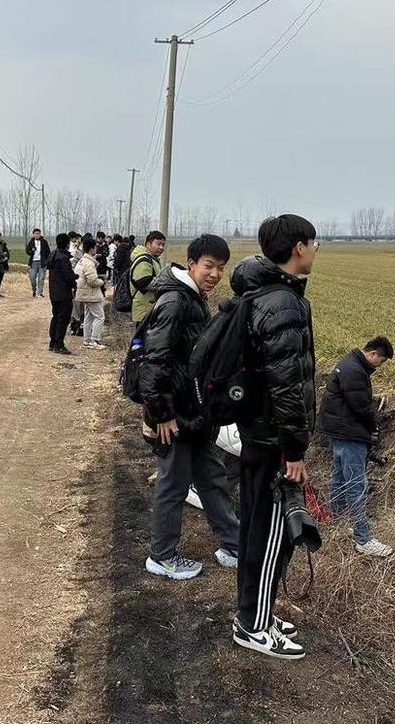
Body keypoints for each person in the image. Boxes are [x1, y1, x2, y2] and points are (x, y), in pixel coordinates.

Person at [231, 214, 318, 661]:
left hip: (258, 433)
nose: (316, 251)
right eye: (314, 243)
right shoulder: (283, 302)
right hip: (272, 440)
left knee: (256, 528)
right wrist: (294, 450)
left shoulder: (263, 293)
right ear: (298, 248)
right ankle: (253, 625)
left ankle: (255, 612)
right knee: (269, 535)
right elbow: (286, 385)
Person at [141, 234, 240, 580]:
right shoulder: (174, 301)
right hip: (175, 414)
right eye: (209, 266)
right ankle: (162, 556)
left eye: (221, 268)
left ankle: (233, 544)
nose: (215, 274)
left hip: (195, 412)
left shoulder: (194, 297)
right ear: (192, 263)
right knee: (174, 483)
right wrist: (162, 414)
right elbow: (155, 362)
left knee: (212, 477)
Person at [319, 336, 395, 557]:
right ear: (373, 354)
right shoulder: (354, 371)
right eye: (381, 361)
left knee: (340, 478)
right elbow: (361, 407)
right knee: (355, 485)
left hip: (339, 430)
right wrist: (373, 429)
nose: (379, 366)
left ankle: (338, 524)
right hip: (349, 433)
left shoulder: (349, 363)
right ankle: (364, 538)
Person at [46, 232, 77, 354]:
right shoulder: (63, 258)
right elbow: (67, 276)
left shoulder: (53, 255)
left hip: (54, 292)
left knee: (55, 317)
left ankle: (53, 343)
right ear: (67, 244)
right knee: (63, 319)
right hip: (63, 293)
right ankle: (59, 344)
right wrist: (74, 279)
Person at [75, 234, 106, 350]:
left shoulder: (82, 261)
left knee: (88, 317)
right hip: (90, 294)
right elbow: (92, 281)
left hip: (84, 293)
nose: (96, 249)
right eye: (95, 248)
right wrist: (102, 281)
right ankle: (94, 340)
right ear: (92, 249)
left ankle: (87, 340)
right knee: (100, 316)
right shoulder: (89, 263)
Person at [129, 231, 167, 323]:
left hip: (149, 308)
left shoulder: (152, 259)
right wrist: (167, 282)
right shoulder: (144, 260)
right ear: (148, 244)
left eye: (163, 245)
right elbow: (144, 282)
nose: (161, 247)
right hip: (144, 310)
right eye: (158, 244)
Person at [26, 229, 49, 297]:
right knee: (32, 277)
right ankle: (34, 290)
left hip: (42, 262)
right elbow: (27, 251)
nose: (37, 234)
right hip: (33, 262)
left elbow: (48, 252)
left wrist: (46, 260)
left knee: (41, 278)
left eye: (38, 233)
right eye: (36, 233)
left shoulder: (44, 242)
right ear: (33, 234)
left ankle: (40, 293)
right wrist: (32, 251)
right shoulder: (31, 242)